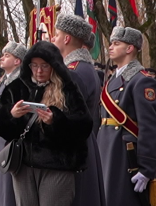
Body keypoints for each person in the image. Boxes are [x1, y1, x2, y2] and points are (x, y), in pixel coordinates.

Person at [0, 41, 92, 206]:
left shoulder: (68, 89)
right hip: (23, 166)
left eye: (44, 66)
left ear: (54, 65)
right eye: (35, 65)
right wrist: (12, 115)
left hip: (57, 166)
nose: (39, 71)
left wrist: (55, 121)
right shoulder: (16, 87)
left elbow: (84, 126)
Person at [98, 27, 156, 206]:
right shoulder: (112, 80)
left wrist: (147, 168)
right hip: (107, 150)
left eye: (116, 44)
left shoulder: (142, 81)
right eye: (111, 43)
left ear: (130, 48)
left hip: (125, 155)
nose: (110, 47)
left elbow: (150, 127)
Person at [52, 14, 106, 206]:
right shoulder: (78, 68)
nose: (53, 39)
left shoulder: (77, 71)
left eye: (57, 34)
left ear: (66, 39)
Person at [0, 41, 27, 206]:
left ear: (17, 61)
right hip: (0, 138)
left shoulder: (22, 82)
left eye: (7, 55)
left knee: (9, 190)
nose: (2, 58)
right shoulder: (1, 82)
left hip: (12, 140)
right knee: (0, 188)